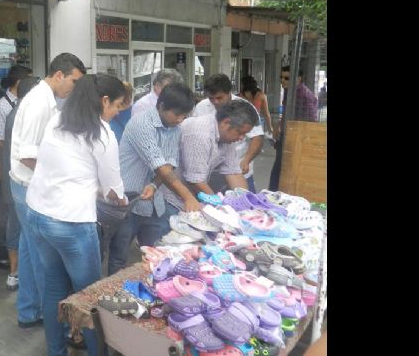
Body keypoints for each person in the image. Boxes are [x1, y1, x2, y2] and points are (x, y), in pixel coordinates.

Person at [26, 73, 127, 356]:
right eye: (117, 106)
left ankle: (56, 351)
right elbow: (112, 188)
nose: (118, 112)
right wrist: (121, 200)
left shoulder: (57, 119)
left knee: (54, 289)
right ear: (104, 101)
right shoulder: (103, 133)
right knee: (90, 297)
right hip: (71, 223)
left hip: (38, 214)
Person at [10, 53, 85, 328]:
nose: (74, 88)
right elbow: (26, 155)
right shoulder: (40, 102)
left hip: (25, 186)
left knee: (30, 253)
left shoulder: (46, 99)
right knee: (44, 260)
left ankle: (29, 311)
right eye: (74, 82)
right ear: (58, 75)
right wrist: (57, 175)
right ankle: (57, 322)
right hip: (28, 187)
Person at [107, 82, 199, 275]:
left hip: (154, 201)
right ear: (162, 106)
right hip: (128, 200)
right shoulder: (141, 123)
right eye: (177, 114)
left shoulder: (175, 127)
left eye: (185, 116)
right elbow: (158, 163)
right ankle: (114, 295)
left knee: (157, 255)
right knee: (119, 256)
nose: (180, 120)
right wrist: (188, 197)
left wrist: (154, 185)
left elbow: (170, 163)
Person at [160, 99, 258, 209]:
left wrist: (247, 205)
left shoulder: (227, 136)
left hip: (192, 195)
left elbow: (234, 173)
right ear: (226, 122)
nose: (241, 138)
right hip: (170, 196)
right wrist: (223, 208)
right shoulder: (200, 134)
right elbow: (195, 181)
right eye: (240, 132)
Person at [193, 74, 264, 192]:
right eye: (211, 98)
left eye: (219, 98)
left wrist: (246, 160)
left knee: (247, 203)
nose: (215, 102)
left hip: (239, 167)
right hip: (211, 171)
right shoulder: (201, 107)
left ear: (229, 92)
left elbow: (257, 137)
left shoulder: (245, 109)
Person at [2, 76, 39, 291]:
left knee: (20, 230)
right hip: (20, 181)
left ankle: (17, 274)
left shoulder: (16, 113)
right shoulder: (22, 115)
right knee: (19, 228)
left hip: (14, 178)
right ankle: (15, 273)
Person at [268, 66, 318, 192]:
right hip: (287, 136)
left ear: (298, 79)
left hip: (296, 140)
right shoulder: (289, 91)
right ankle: (274, 194)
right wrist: (278, 126)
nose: (283, 80)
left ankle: (274, 195)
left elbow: (311, 123)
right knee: (279, 170)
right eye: (281, 77)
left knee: (282, 170)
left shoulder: (304, 96)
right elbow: (287, 112)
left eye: (287, 78)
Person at [0, 65, 34, 185]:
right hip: (11, 163)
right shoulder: (1, 107)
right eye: (30, 80)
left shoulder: (31, 102)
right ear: (19, 82)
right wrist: (1, 169)